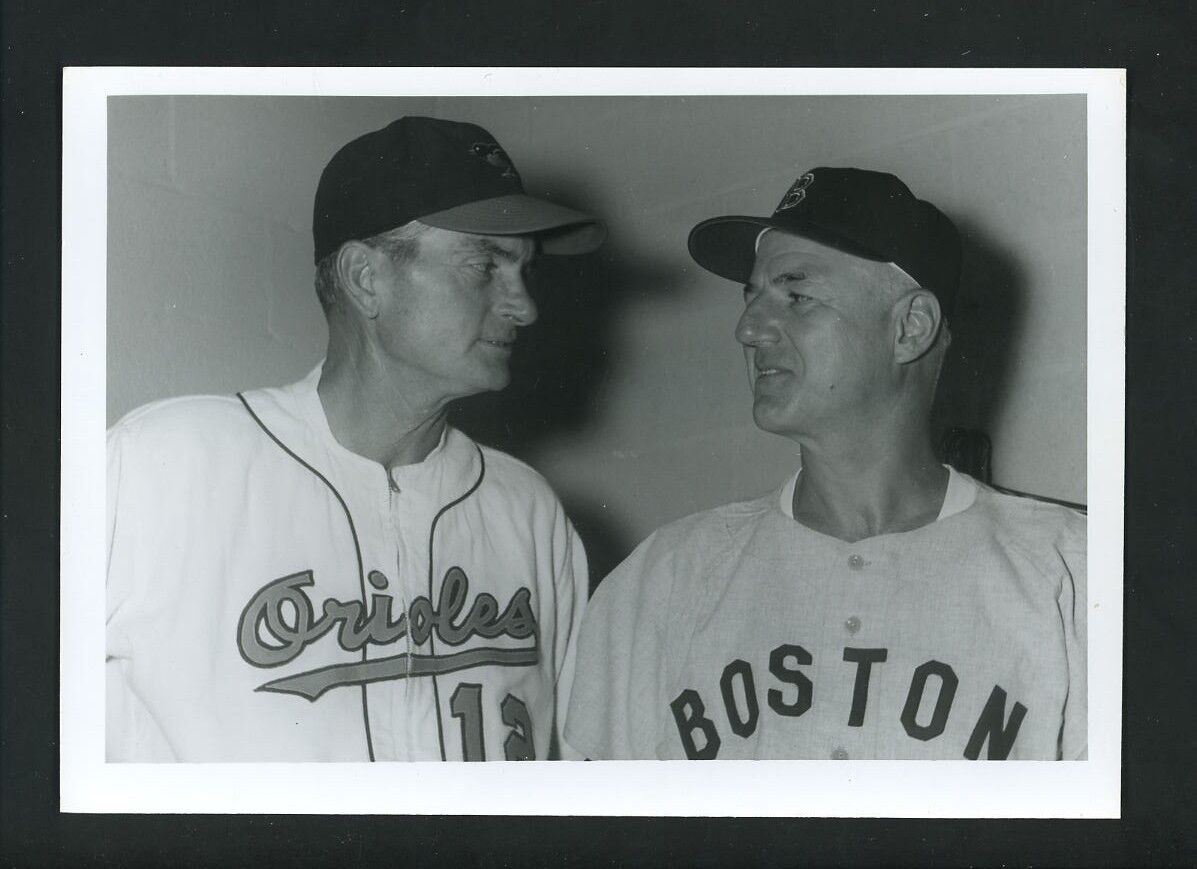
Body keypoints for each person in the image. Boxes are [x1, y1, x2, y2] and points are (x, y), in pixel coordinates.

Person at [106, 116, 605, 761]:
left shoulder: (527, 509)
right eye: (485, 266)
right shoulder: (164, 465)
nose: (524, 306)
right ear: (366, 278)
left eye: (524, 271)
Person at [565, 168, 1085, 760]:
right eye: (752, 297)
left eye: (797, 295)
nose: (748, 328)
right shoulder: (660, 580)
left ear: (910, 328)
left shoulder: (1070, 573)